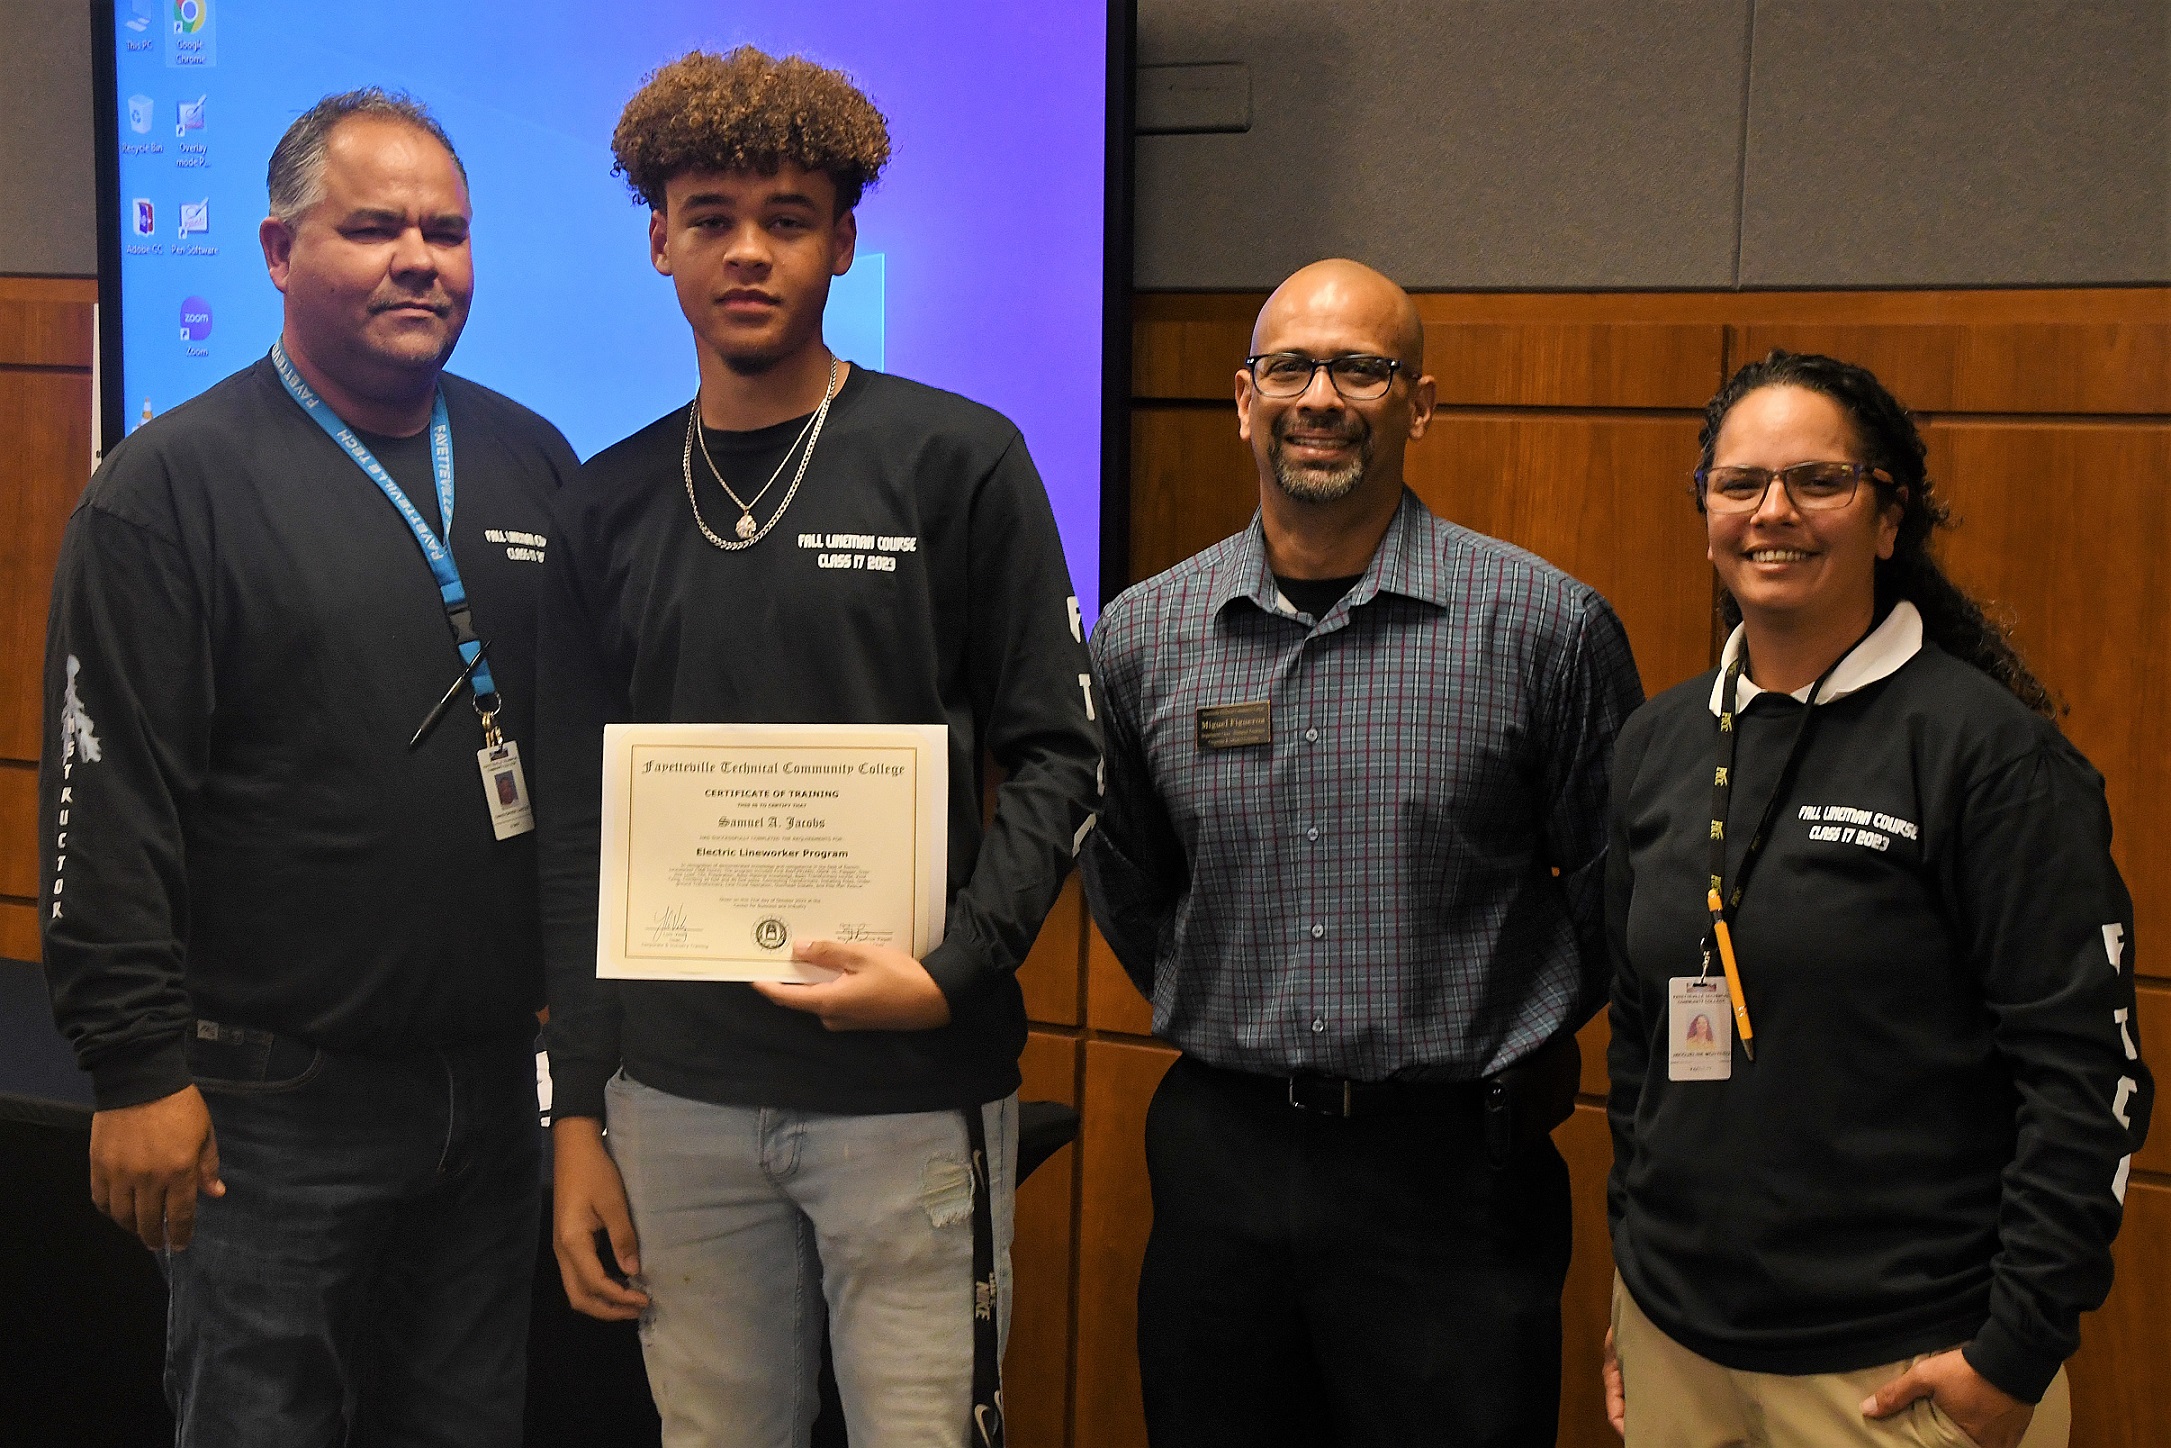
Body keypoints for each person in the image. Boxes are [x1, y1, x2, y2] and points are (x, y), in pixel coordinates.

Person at [536, 48, 1100, 1448]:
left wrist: (952, 971)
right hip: (673, 1103)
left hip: (907, 1095)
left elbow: (1059, 753)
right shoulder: (603, 504)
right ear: (658, 240)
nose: (747, 251)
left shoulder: (957, 461)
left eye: (786, 218)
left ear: (842, 243)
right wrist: (578, 1111)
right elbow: (577, 828)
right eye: (710, 216)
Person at [39, 89, 578, 1444]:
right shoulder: (168, 488)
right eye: (375, 227)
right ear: (280, 252)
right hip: (269, 1107)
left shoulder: (530, 458)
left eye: (446, 232)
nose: (420, 260)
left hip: (490, 1085)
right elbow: (110, 799)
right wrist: (133, 1071)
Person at [1082, 258, 1643, 1448]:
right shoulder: (1141, 635)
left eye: (1360, 369)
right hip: (1222, 1161)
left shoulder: (1543, 628)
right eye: (1288, 367)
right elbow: (1127, 881)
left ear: (1417, 403)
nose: (1319, 397)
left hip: (1451, 1176)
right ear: (1244, 399)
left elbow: (1616, 898)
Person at [1602, 351, 2153, 1448]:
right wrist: (1632, 1280)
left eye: (1819, 480)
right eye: (1739, 483)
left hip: (1895, 1368)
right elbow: (1637, 1041)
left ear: (1889, 518)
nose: (1773, 512)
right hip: (1676, 1343)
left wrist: (2014, 1349)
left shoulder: (1988, 755)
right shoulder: (1658, 741)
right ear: (1706, 513)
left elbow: (2085, 1077)